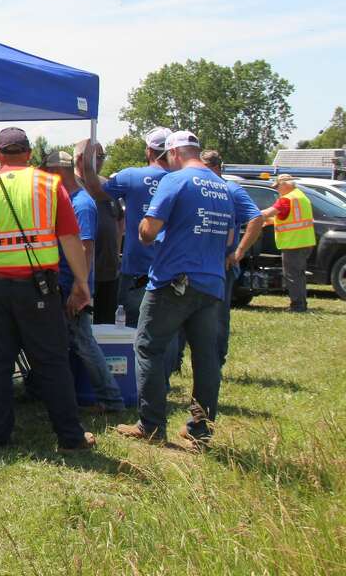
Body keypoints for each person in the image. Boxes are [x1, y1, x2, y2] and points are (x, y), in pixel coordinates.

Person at [0, 128, 96, 452]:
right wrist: (82, 284)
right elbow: (71, 239)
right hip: (39, 291)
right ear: (29, 153)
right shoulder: (49, 186)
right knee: (52, 362)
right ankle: (70, 438)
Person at [115, 131, 255, 450]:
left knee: (148, 346)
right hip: (211, 282)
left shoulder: (175, 181)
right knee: (206, 358)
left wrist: (141, 228)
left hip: (173, 281)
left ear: (175, 153)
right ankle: (200, 430)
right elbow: (232, 237)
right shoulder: (223, 186)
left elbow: (149, 232)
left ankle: (151, 425)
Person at [43, 150, 124, 413]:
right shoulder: (71, 199)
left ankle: (111, 400)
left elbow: (86, 248)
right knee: (74, 341)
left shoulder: (80, 204)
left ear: (57, 172)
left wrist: (80, 288)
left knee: (84, 342)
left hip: (72, 286)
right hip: (67, 282)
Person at [83, 127, 172, 326]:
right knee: (170, 336)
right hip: (174, 272)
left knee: (133, 332)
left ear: (149, 151)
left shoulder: (132, 177)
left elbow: (96, 191)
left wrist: (88, 163)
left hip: (137, 271)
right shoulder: (183, 180)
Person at [200, 151, 262, 365]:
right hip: (196, 262)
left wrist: (239, 251)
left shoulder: (231, 190)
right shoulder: (198, 188)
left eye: (206, 167)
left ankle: (216, 362)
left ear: (217, 168)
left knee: (217, 317)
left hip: (222, 266)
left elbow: (256, 218)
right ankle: (177, 362)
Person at [74, 138, 124, 325]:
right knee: (84, 330)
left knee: (107, 327)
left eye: (103, 156)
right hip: (83, 274)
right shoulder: (72, 186)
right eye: (97, 156)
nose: (102, 161)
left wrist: (116, 252)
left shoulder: (106, 185)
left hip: (109, 272)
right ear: (81, 159)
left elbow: (120, 219)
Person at [259, 174, 316, 313]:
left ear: (285, 184)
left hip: (293, 243)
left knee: (292, 276)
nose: (277, 190)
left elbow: (268, 212)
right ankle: (301, 304)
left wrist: (250, 214)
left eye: (278, 186)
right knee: (299, 275)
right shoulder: (301, 196)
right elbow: (291, 218)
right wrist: (272, 221)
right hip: (305, 241)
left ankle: (297, 307)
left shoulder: (286, 199)